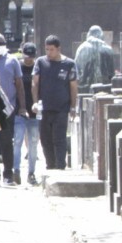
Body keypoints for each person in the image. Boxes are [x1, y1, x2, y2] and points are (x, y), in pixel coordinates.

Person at [32, 35, 79, 171]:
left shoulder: (69, 64)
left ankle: (60, 166)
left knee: (59, 138)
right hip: (44, 107)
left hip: (61, 108)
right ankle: (50, 165)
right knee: (45, 139)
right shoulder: (41, 62)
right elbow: (35, 83)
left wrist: (73, 106)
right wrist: (35, 102)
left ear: (58, 49)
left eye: (51, 49)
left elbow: (73, 86)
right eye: (46, 49)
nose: (48, 53)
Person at [0, 33, 25, 185]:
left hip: (8, 108)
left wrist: (22, 107)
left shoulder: (12, 60)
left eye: (2, 42)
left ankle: (8, 175)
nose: (0, 45)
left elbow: (19, 85)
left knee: (7, 141)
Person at [14, 42, 41, 186]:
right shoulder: (17, 66)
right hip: (19, 110)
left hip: (35, 110)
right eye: (26, 56)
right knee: (17, 141)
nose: (28, 59)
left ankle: (31, 173)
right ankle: (16, 171)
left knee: (33, 143)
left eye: (31, 56)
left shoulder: (38, 66)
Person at [75, 24, 117, 92]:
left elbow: (76, 71)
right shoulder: (108, 49)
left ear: (88, 34)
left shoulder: (81, 49)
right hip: (104, 91)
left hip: (84, 90)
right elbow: (112, 74)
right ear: (101, 35)